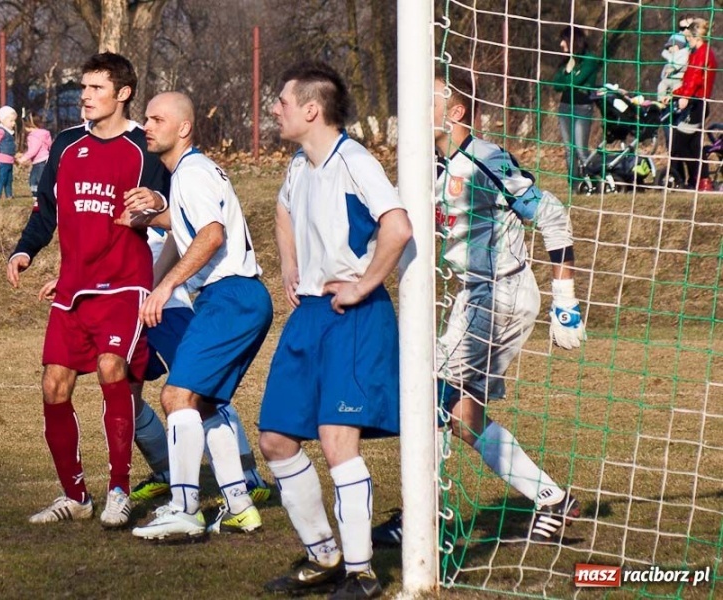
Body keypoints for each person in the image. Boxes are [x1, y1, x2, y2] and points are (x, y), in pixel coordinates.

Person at [372, 70, 586, 549]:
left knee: (428, 394)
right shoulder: (429, 165)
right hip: (475, 297)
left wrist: (566, 301)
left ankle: (417, 519)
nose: (411, 115)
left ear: (455, 113)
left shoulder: (486, 159)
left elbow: (551, 216)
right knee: (461, 412)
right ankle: (550, 497)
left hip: (501, 295)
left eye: (423, 104)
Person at [258, 62, 412, 599]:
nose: (274, 108)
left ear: (310, 109)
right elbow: (282, 211)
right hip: (310, 317)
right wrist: (288, 266)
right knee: (275, 439)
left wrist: (365, 284)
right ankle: (323, 554)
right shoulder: (301, 165)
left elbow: (398, 226)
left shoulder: (356, 162)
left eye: (280, 100)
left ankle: (362, 572)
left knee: (335, 440)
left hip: (353, 317)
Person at [5, 52, 168, 528]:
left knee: (111, 368)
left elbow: (172, 205)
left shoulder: (145, 148)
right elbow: (46, 211)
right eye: (83, 87)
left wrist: (157, 202)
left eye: (97, 88)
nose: (85, 96)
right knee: (53, 385)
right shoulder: (66, 144)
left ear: (123, 94)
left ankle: (119, 488)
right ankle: (75, 496)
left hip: (124, 284)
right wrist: (24, 251)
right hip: (73, 287)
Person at [129, 92, 273, 541]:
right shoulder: (190, 174)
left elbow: (211, 235)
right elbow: (188, 225)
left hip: (229, 296)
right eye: (146, 118)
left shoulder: (191, 172)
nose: (147, 125)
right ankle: (240, 506)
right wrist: (149, 221)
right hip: (238, 299)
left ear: (184, 128)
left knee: (175, 398)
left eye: (157, 118)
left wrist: (168, 284)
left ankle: (184, 508)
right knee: (204, 402)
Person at [123, 227, 273, 505]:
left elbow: (177, 226)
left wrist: (160, 282)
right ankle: (167, 471)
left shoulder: (167, 184)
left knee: (199, 389)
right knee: (125, 395)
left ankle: (247, 476)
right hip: (121, 305)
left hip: (167, 306)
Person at [665, 18, 718, 191]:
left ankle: (699, 178)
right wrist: (674, 94)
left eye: (688, 38)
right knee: (693, 144)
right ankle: (701, 180)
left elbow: (695, 79)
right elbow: (689, 80)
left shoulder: (703, 54)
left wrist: (685, 97)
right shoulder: (698, 53)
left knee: (680, 142)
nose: (687, 41)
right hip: (694, 102)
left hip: (696, 104)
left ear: (696, 37)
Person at [550, 26, 602, 190]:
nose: (560, 45)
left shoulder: (590, 60)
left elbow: (575, 83)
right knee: (569, 149)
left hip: (582, 108)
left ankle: (595, 178)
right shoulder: (567, 62)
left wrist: (569, 75)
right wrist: (567, 70)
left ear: (573, 41)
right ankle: (575, 184)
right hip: (565, 107)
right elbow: (556, 84)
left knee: (580, 149)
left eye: (563, 40)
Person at [18, 113, 52, 206]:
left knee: (34, 179)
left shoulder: (33, 136)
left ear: (29, 126)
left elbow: (33, 150)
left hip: (39, 160)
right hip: (46, 158)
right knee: (40, 178)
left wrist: (23, 158)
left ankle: (37, 196)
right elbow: (49, 145)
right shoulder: (45, 134)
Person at [0, 105, 17, 199]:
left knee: (9, 179)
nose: (13, 123)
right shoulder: (1, 131)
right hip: (2, 159)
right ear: (3, 120)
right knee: (2, 178)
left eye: (14, 121)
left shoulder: (9, 131)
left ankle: (9, 194)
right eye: (11, 121)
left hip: (9, 160)